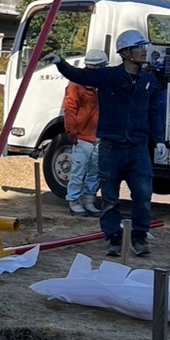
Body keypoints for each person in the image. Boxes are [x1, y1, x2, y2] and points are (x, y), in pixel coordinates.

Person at [54, 30, 161, 257]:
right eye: (139, 46)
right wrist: (60, 63)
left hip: (138, 147)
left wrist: (159, 140)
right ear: (125, 53)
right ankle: (113, 238)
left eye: (144, 46)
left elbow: (154, 113)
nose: (144, 50)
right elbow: (81, 76)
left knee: (143, 194)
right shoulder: (109, 77)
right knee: (110, 198)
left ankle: (139, 237)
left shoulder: (149, 81)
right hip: (111, 148)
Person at [63, 48, 107, 217]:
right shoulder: (76, 85)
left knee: (95, 170)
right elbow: (70, 108)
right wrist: (71, 131)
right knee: (79, 170)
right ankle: (74, 201)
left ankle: (88, 200)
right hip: (82, 136)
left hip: (98, 135)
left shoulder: (100, 85)